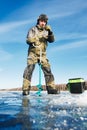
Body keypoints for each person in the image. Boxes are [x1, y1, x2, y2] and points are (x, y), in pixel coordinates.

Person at [22, 14, 58, 95]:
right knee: (29, 70)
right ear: (38, 21)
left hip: (43, 54)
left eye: (45, 22)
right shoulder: (33, 29)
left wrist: (50, 32)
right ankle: (25, 89)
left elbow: (52, 40)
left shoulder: (47, 30)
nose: (43, 23)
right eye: (42, 21)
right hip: (33, 53)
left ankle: (51, 88)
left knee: (48, 70)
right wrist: (35, 39)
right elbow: (28, 40)